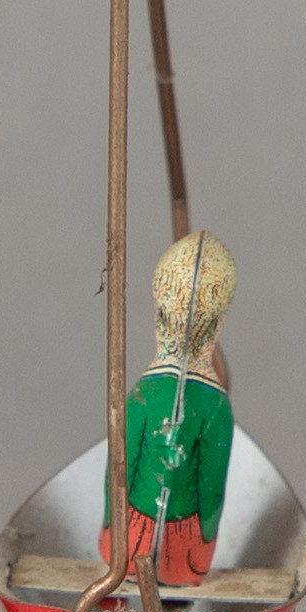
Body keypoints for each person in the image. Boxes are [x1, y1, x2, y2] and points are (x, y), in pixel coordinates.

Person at [101, 233, 238, 588]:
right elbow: (211, 490)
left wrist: (109, 526)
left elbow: (118, 471)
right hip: (185, 549)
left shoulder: (144, 395)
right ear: (218, 324)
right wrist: (205, 541)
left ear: (159, 314)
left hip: (130, 539)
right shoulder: (217, 408)